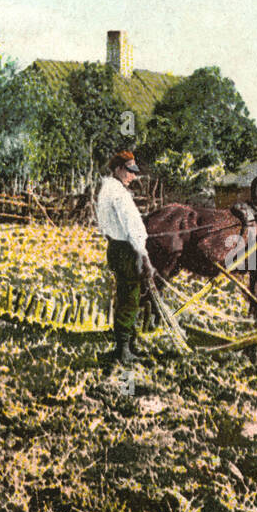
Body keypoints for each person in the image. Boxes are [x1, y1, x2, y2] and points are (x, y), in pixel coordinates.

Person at [96, 150, 152, 364]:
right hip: (128, 249)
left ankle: (126, 345)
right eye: (130, 171)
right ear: (119, 169)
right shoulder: (118, 194)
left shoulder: (107, 189)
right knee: (130, 298)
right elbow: (132, 227)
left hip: (115, 247)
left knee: (124, 296)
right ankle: (123, 351)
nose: (133, 176)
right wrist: (143, 255)